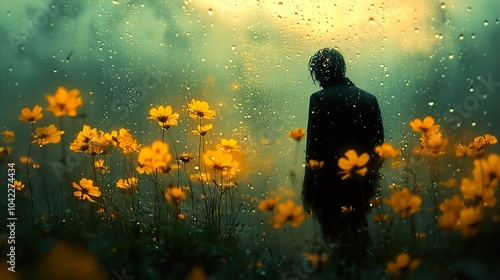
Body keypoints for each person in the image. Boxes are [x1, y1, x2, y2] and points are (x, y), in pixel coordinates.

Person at [302, 48, 384, 262]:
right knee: (358, 238)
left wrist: (308, 191)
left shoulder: (319, 99)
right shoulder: (369, 99)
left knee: (333, 244)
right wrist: (370, 185)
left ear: (319, 73)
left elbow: (314, 152)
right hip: (359, 185)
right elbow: (378, 149)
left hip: (328, 187)